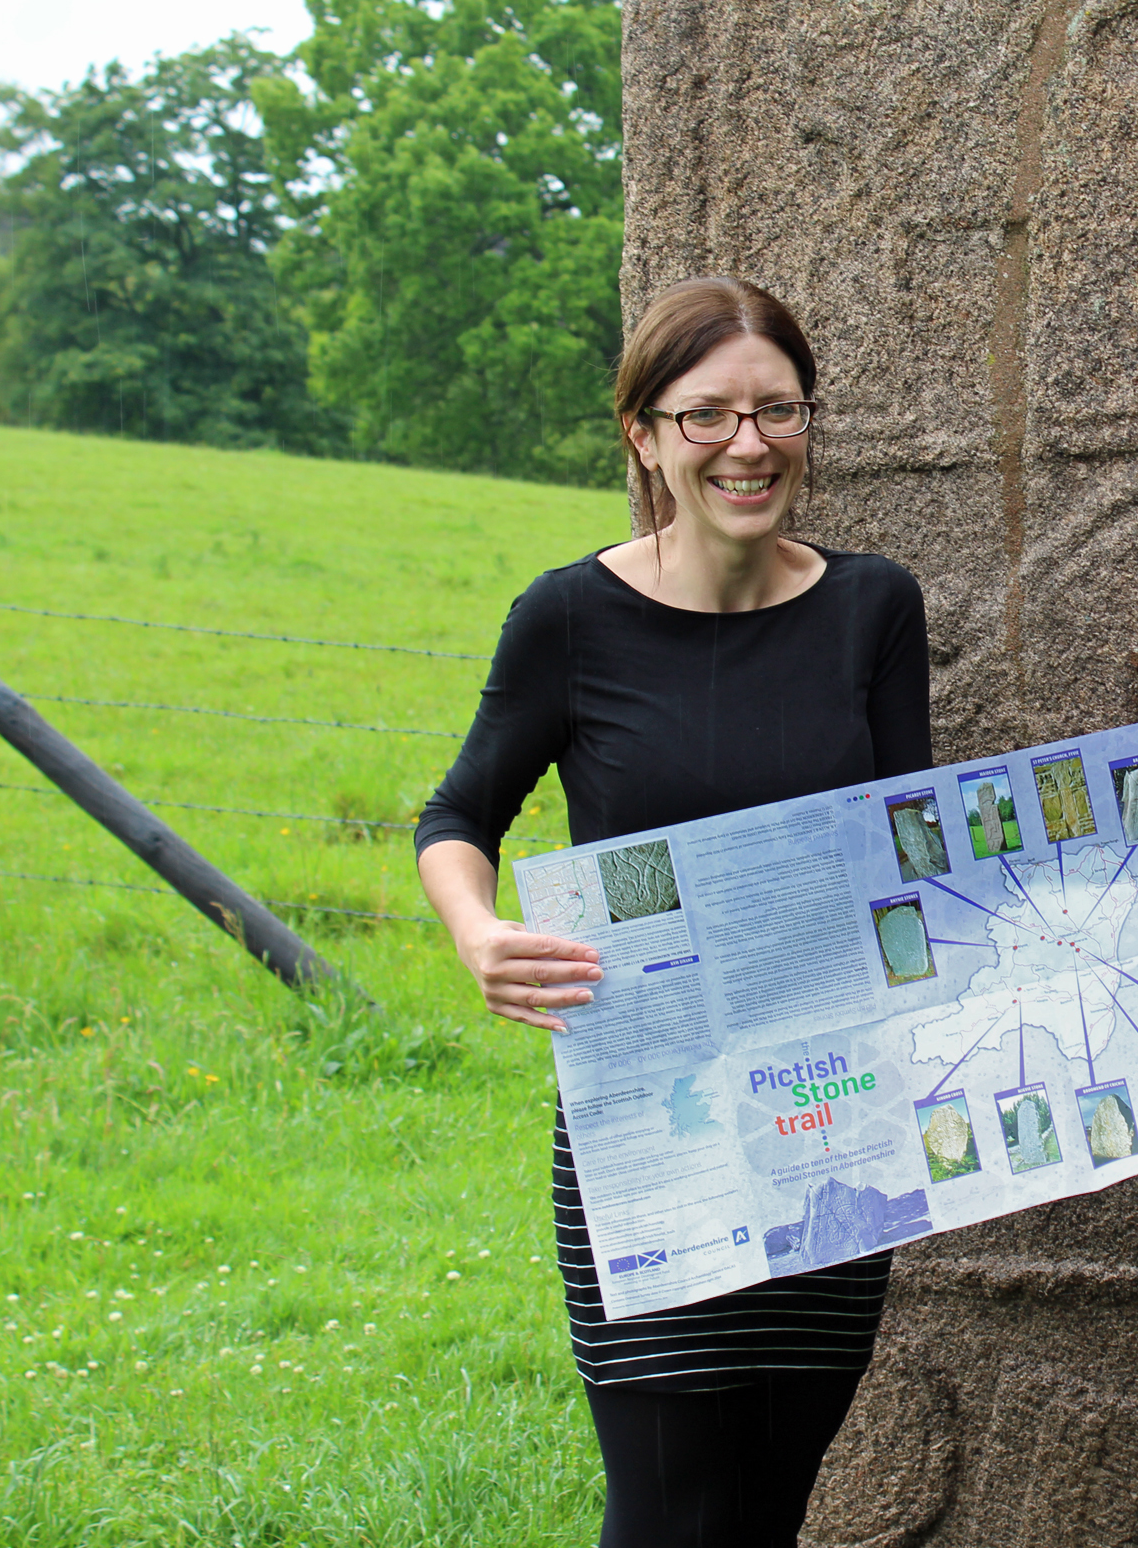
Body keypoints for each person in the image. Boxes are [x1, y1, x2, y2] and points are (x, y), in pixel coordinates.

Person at [415, 277, 931, 1548]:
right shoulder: (570, 618)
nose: (747, 446)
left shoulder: (874, 607)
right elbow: (455, 820)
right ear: (643, 435)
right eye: (705, 417)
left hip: (834, 1124)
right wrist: (479, 935)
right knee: (663, 1508)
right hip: (651, 1129)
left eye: (776, 411)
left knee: (771, 1505)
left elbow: (911, 850)